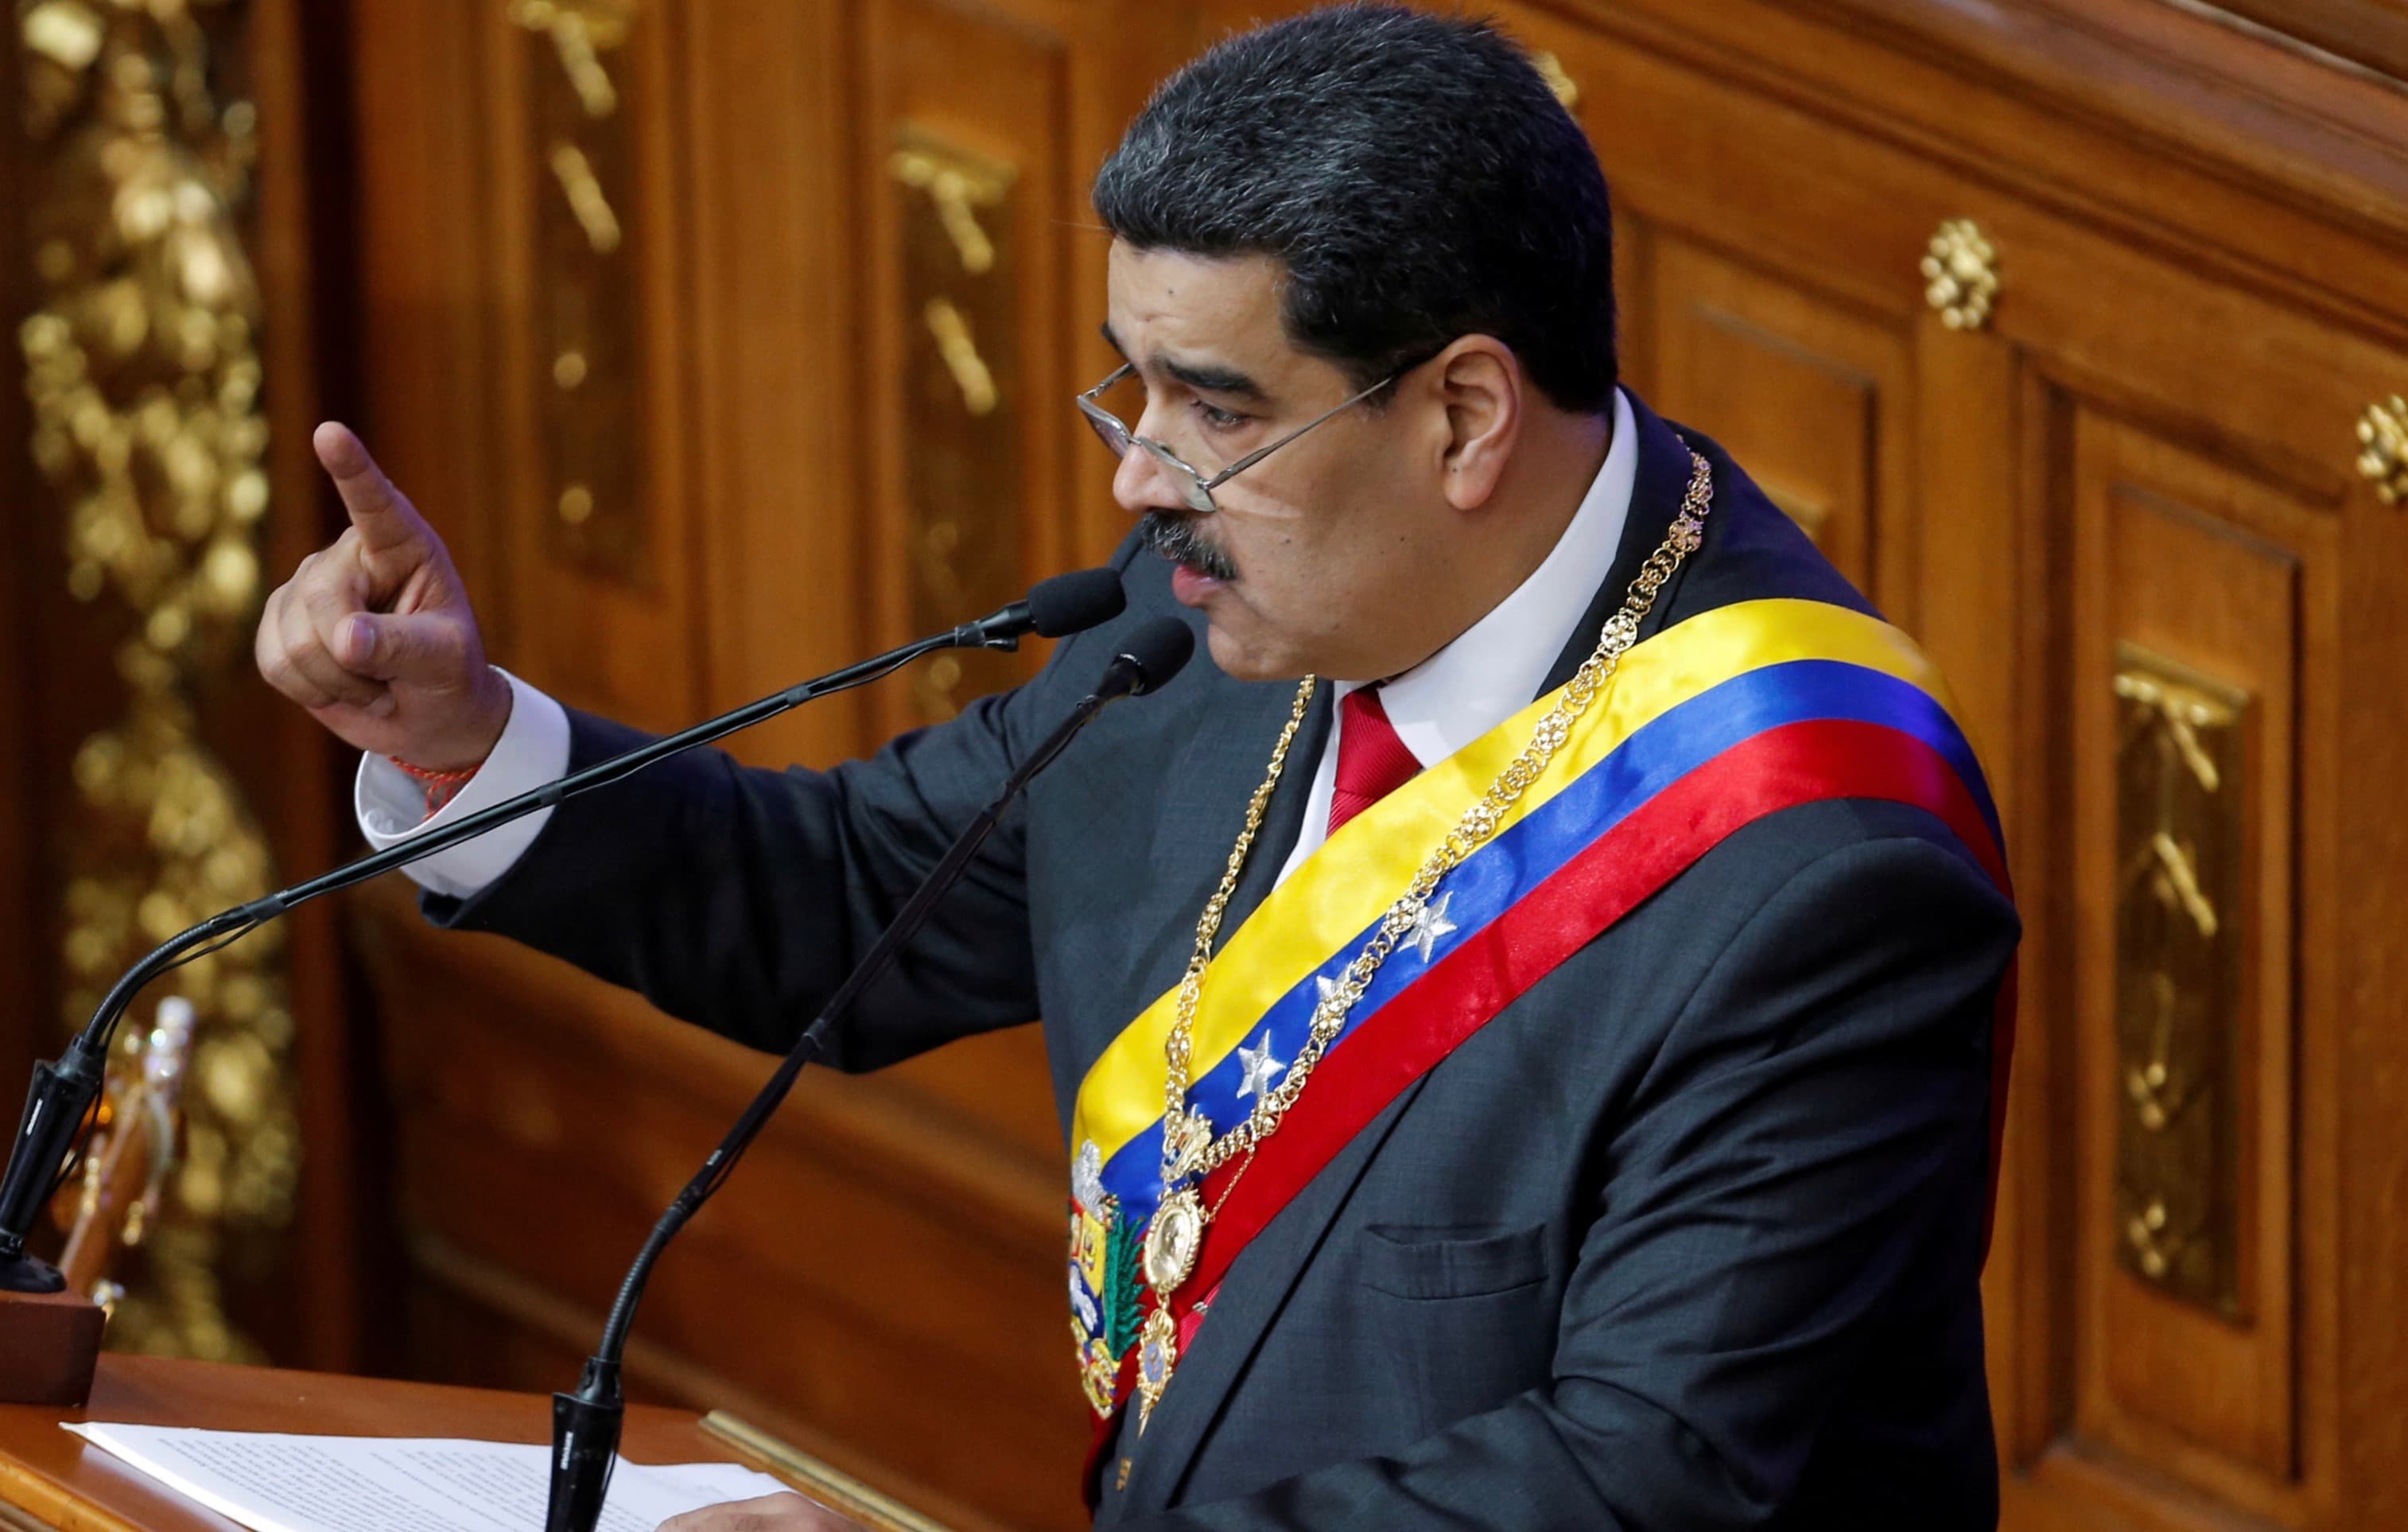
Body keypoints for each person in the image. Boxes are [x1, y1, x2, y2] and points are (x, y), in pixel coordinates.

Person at [256, 6, 2018, 1527]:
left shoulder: (1816, 865)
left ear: (1465, 417)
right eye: (1137, 392)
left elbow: (1635, 1481)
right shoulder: (1214, 625)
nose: (1140, 478)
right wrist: (462, 741)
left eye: (1217, 409)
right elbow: (858, 894)